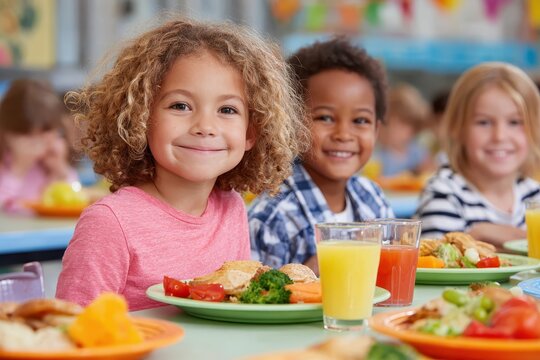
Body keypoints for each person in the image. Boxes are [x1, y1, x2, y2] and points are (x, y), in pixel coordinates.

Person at [56, 18, 308, 310]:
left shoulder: (232, 208)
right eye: (180, 106)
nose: (205, 126)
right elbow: (71, 330)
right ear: (141, 117)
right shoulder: (109, 223)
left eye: (227, 109)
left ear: (251, 132)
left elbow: (238, 310)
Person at [249, 38, 394, 274]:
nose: (343, 134)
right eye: (325, 118)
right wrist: (303, 278)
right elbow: (252, 301)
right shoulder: (273, 216)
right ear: (292, 123)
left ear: (376, 130)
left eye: (360, 121)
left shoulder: (373, 199)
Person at [416, 62, 540, 247]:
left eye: (515, 122)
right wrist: (476, 235)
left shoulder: (534, 195)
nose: (499, 136)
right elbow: (437, 265)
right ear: (457, 128)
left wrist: (496, 235)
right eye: (483, 122)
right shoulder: (445, 194)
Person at [0, 79, 78, 214]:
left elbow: (73, 199)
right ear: (7, 133)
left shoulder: (49, 162)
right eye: (27, 134)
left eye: (46, 131)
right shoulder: (5, 164)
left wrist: (61, 170)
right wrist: (18, 170)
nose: (37, 141)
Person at [375, 83, 434, 177]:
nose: (393, 130)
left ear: (415, 128)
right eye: (388, 124)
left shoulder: (418, 152)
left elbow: (429, 171)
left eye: (402, 125)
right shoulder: (378, 156)